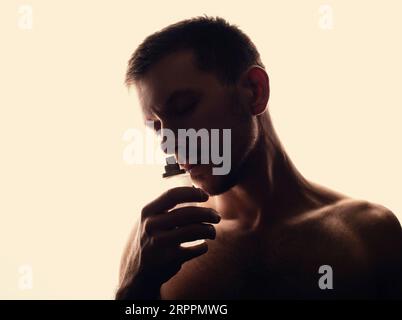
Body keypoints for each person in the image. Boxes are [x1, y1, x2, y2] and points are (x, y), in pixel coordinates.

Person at [115, 16, 402, 299]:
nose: (169, 144)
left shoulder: (369, 234)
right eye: (156, 126)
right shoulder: (159, 244)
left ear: (255, 91)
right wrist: (133, 290)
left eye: (184, 107)